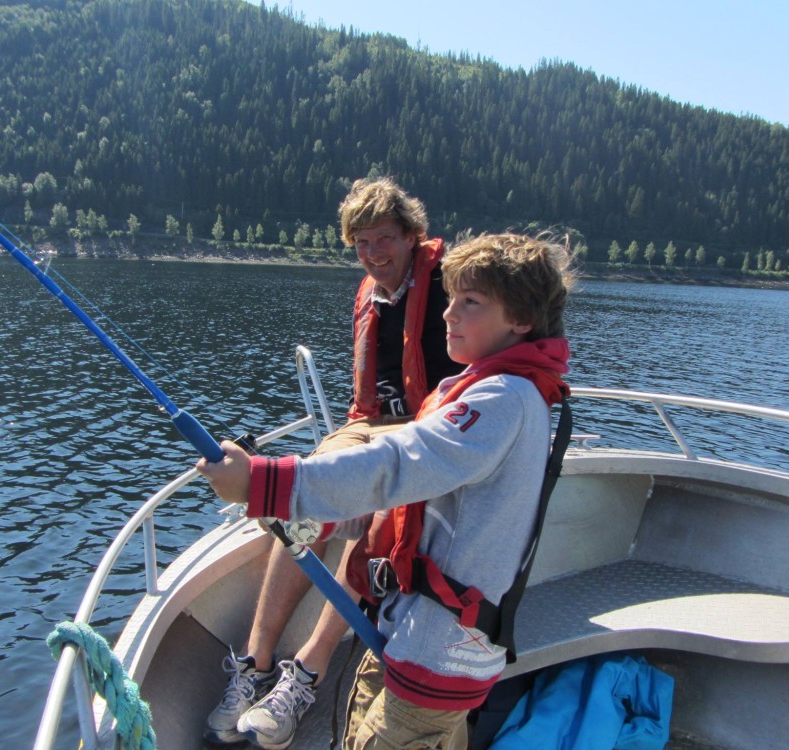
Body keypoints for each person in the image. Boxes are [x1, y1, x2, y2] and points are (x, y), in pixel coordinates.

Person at [198, 232, 574, 749]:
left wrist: (267, 482)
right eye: (450, 298)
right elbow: (417, 507)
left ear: (520, 321)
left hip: (436, 656)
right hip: (421, 644)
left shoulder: (503, 399)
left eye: (471, 302)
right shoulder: (507, 390)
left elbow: (398, 465)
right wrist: (316, 518)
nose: (449, 313)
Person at [203, 177, 461, 748]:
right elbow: (365, 399)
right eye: (363, 244)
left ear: (412, 235)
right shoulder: (369, 291)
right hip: (368, 422)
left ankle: (309, 670)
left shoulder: (451, 281)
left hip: (427, 430)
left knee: (376, 514)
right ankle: (256, 663)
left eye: (385, 239)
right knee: (299, 500)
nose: (374, 254)